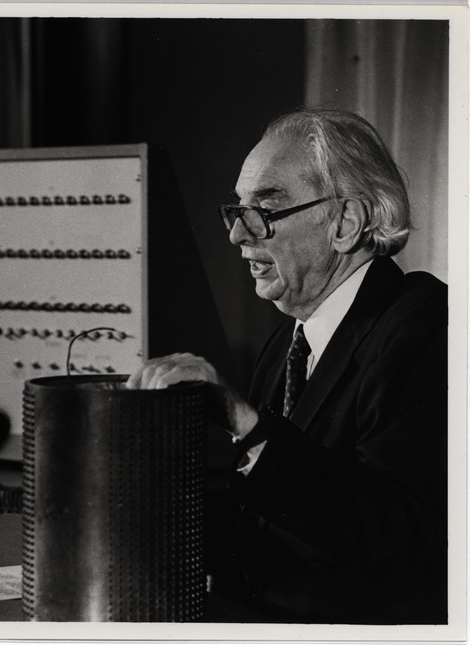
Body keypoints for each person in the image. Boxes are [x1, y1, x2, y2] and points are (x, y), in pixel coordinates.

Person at [127, 107, 447, 624]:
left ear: (346, 221)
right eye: (237, 210)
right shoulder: (287, 343)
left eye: (264, 211)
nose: (236, 235)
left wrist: (244, 423)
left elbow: (400, 535)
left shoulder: (428, 322)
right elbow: (272, 520)